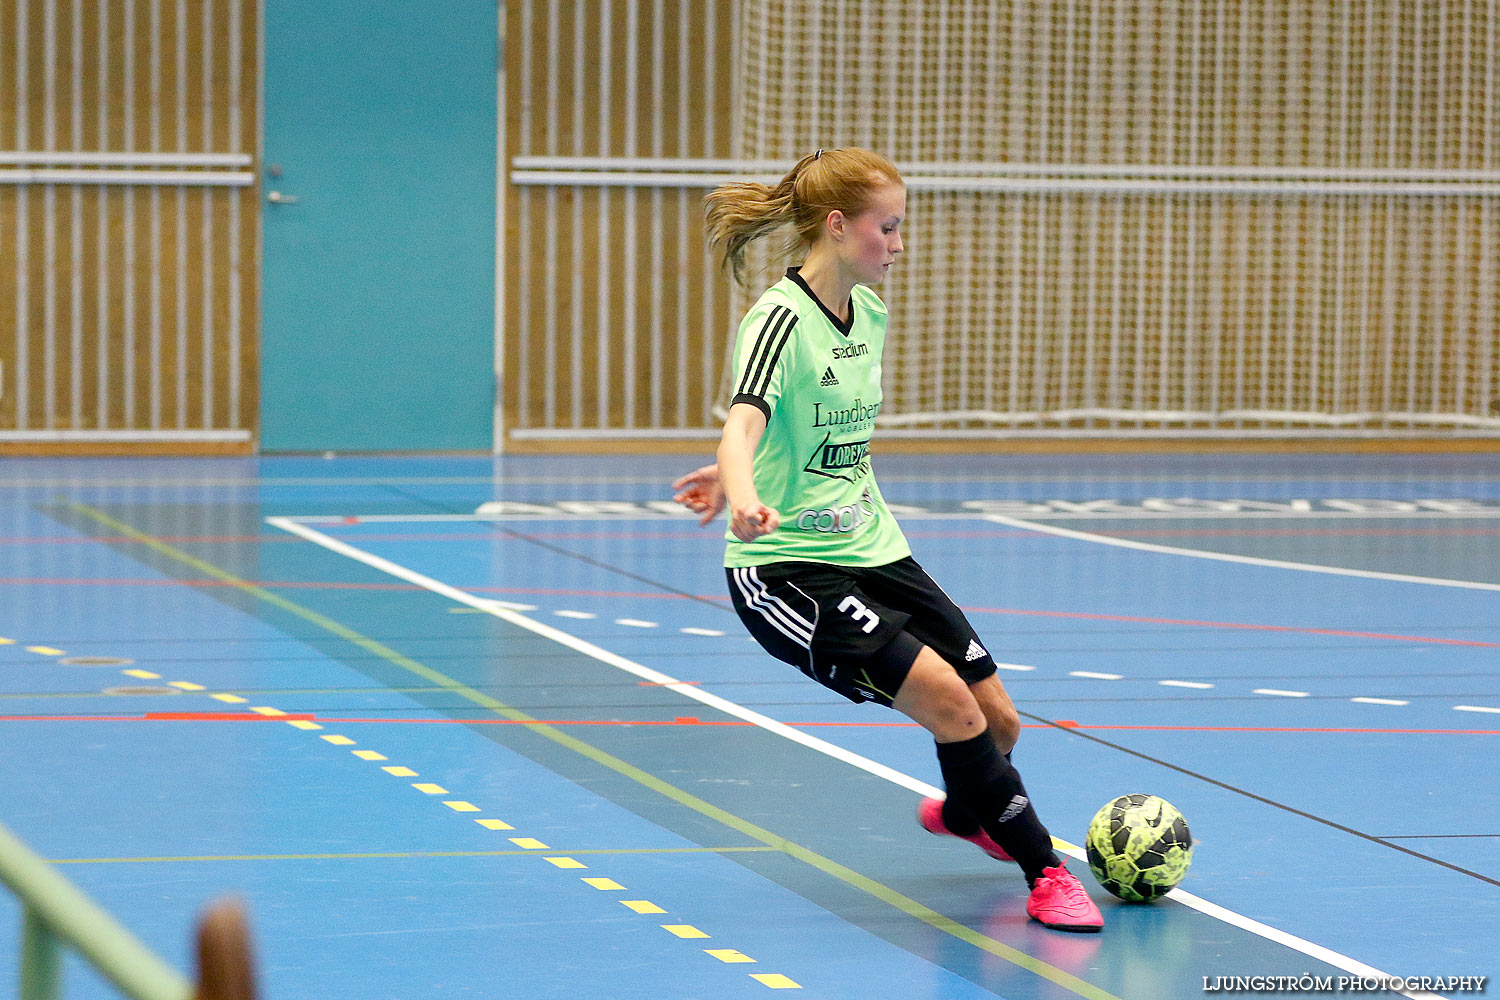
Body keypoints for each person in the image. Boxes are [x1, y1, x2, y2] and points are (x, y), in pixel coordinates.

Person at [670, 147, 1102, 932]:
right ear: (837, 227)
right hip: (790, 569)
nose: (899, 243)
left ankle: (971, 811)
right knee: (947, 703)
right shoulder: (777, 319)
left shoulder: (867, 311)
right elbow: (744, 421)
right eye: (888, 227)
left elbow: (805, 429)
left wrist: (759, 466)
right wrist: (742, 486)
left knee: (997, 722)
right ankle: (1047, 872)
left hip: (873, 544)